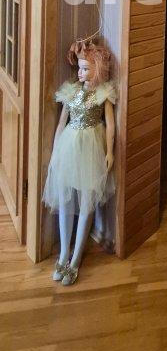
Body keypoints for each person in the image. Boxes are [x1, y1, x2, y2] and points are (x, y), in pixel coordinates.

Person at [42, 37, 116, 285]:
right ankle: (64, 253)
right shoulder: (71, 91)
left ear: (97, 69)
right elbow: (61, 123)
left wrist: (110, 152)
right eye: (80, 68)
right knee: (65, 200)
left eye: (86, 68)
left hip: (92, 150)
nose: (80, 73)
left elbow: (110, 125)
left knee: (87, 203)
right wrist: (55, 152)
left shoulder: (103, 93)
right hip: (69, 148)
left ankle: (75, 259)